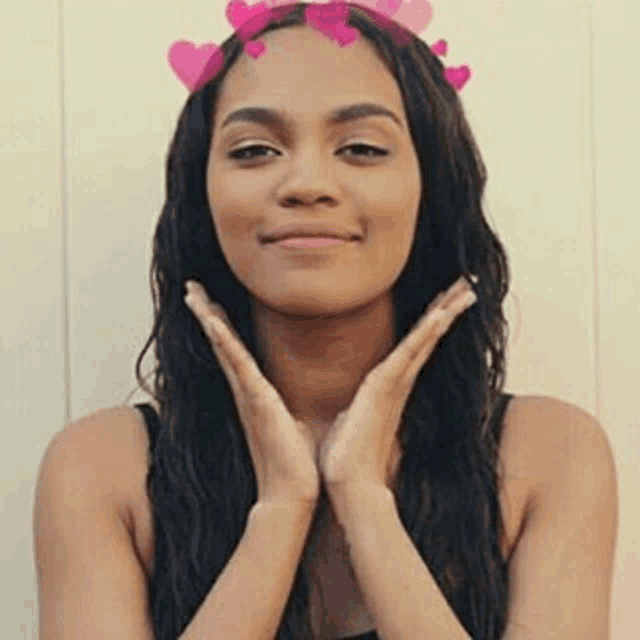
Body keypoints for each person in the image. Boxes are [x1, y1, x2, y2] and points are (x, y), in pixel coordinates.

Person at [34, 4, 585, 640]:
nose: (306, 184)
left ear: (431, 187)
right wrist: (279, 512)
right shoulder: (101, 469)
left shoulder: (548, 454)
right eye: (255, 150)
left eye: (360, 148)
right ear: (202, 193)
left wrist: (365, 501)